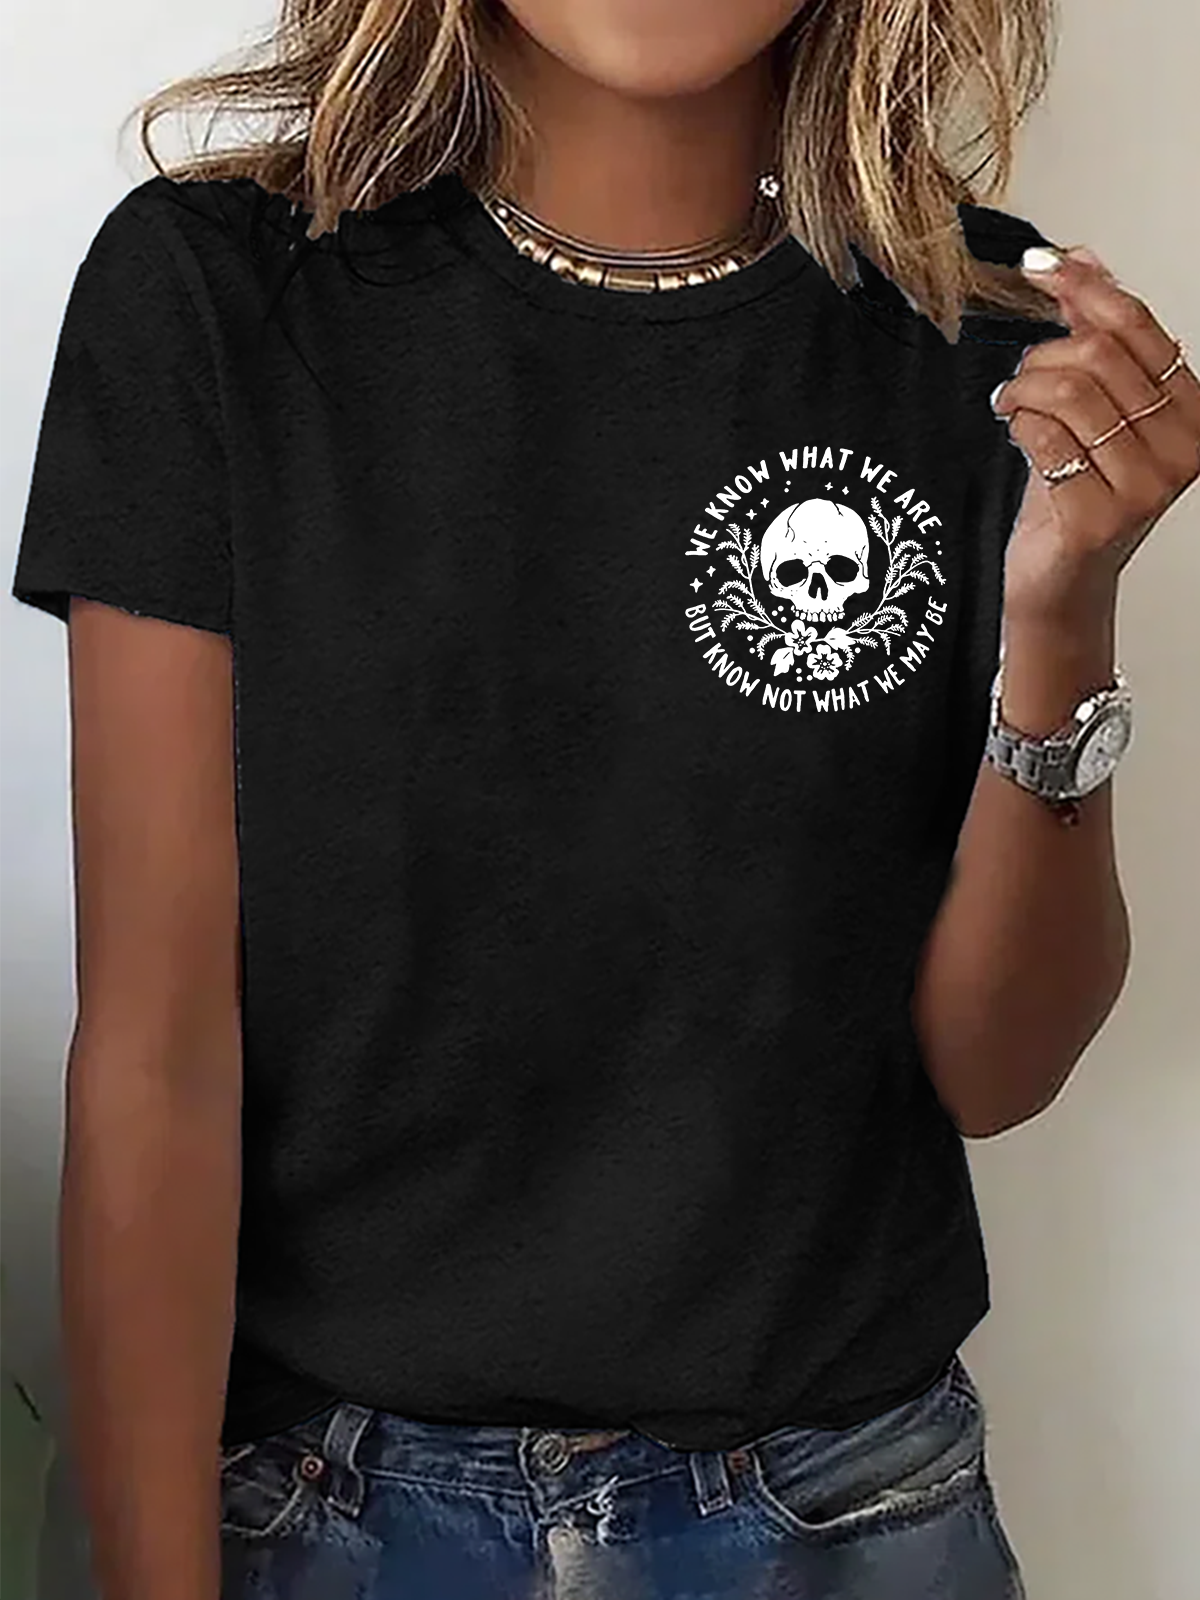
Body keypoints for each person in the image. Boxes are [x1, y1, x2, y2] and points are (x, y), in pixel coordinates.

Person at [10, 1, 1200, 1596]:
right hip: (334, 1514)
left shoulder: (983, 334)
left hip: (849, 1509)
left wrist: (1062, 611)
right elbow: (155, 1057)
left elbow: (995, 1071)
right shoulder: (220, 292)